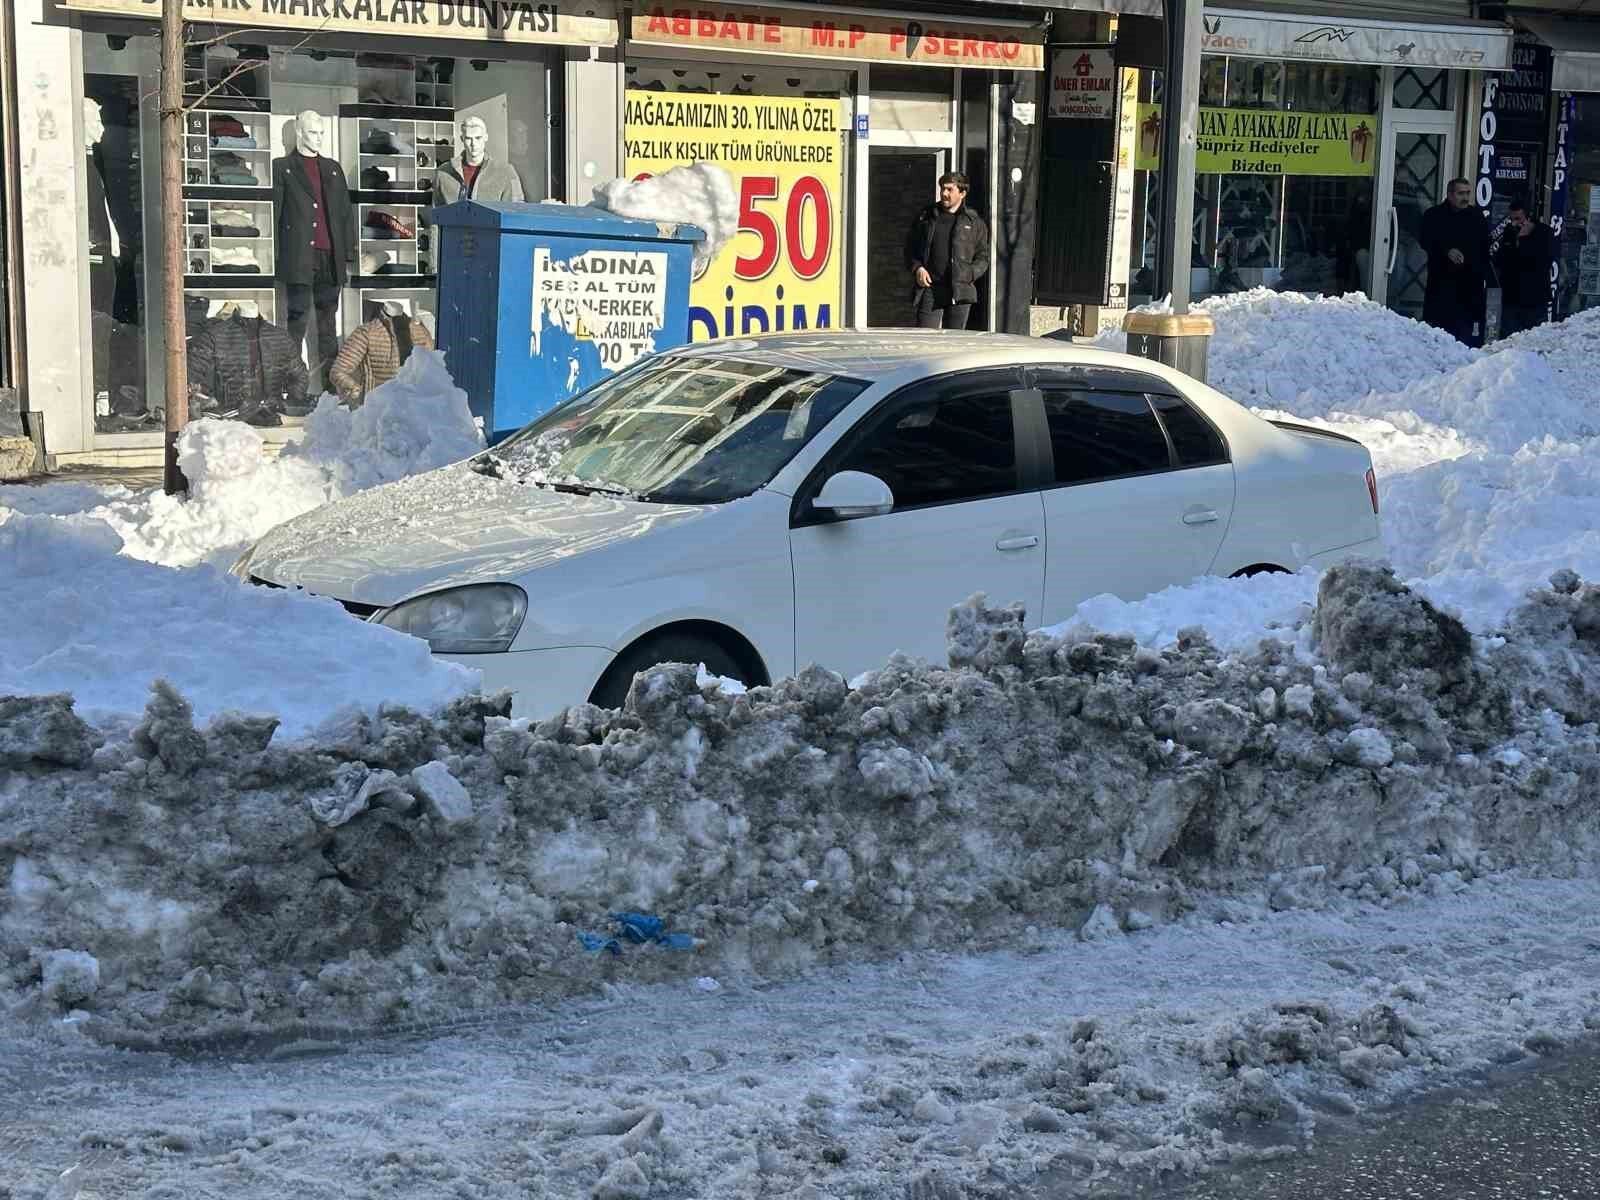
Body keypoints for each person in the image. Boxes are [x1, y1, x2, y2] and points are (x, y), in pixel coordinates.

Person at [905, 171, 989, 330]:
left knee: (954, 341)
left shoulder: (974, 222)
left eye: (950, 189)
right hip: (930, 289)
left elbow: (983, 257)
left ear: (962, 193)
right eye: (943, 189)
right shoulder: (927, 217)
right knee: (924, 337)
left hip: (960, 289)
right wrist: (918, 268)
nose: (944, 193)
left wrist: (970, 273)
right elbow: (910, 248)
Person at [1419, 177, 1492, 346]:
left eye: (1468, 193)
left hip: (1470, 286)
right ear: (1450, 195)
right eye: (1461, 193)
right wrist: (1446, 251)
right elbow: (1425, 240)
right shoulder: (1434, 215)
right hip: (1442, 285)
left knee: (1468, 337)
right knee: (1440, 337)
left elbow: (1484, 246)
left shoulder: (1476, 215)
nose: (1465, 197)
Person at [1493, 196, 1556, 338]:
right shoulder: (1509, 232)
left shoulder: (1544, 233)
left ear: (1528, 217)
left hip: (1535, 298)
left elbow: (1542, 263)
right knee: (1510, 340)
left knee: (1535, 339)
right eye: (1512, 219)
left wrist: (1523, 240)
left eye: (1518, 219)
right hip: (1512, 297)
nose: (1515, 223)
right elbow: (1499, 260)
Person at [433, 116, 525, 205]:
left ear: (486, 137)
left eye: (478, 138)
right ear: (462, 139)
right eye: (469, 138)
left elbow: (516, 211)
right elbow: (436, 215)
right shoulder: (443, 173)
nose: (474, 144)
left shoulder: (506, 172)